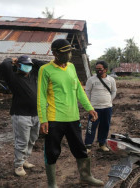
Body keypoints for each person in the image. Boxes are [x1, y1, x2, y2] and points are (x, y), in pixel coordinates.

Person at [37, 39, 104, 187]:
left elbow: (79, 90)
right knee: (52, 152)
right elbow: (41, 96)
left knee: (80, 148)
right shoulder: (45, 70)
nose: (68, 55)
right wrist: (43, 120)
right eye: (64, 52)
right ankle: (52, 184)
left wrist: (89, 108)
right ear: (54, 53)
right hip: (54, 118)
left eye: (69, 52)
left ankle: (85, 176)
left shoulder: (72, 67)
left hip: (73, 117)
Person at [0, 55, 44, 176]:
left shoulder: (33, 75)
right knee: (22, 141)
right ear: (18, 65)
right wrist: (12, 60)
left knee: (32, 139)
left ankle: (24, 160)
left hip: (36, 114)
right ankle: (18, 165)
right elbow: (4, 65)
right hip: (21, 115)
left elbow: (43, 65)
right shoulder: (12, 77)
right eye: (25, 65)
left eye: (29, 65)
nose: (28, 67)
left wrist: (31, 60)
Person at [84, 60, 117, 152]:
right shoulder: (91, 80)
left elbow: (114, 91)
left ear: (105, 69)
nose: (98, 71)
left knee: (105, 126)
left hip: (107, 108)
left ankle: (102, 143)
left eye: (100, 69)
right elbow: (87, 92)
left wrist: (110, 100)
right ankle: (88, 145)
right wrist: (90, 103)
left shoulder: (111, 80)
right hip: (94, 108)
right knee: (91, 126)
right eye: (97, 69)